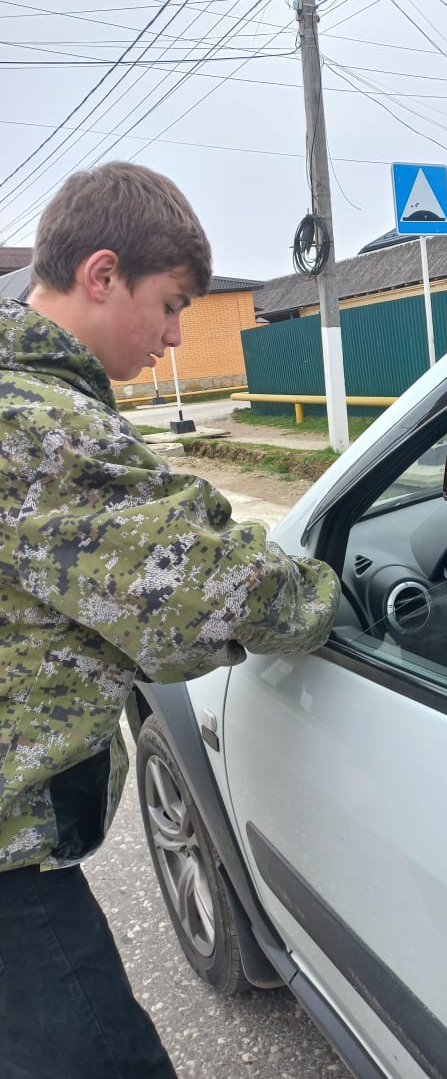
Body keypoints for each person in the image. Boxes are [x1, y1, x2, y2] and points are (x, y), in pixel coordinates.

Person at [0, 162, 341, 1078]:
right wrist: (332, 595)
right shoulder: (36, 424)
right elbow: (198, 594)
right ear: (102, 274)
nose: (177, 335)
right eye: (172, 304)